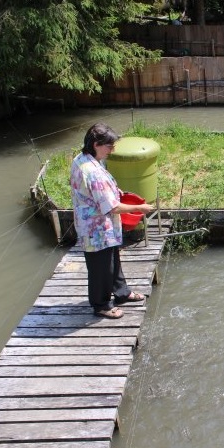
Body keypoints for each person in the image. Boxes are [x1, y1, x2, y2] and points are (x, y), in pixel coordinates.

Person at [70, 123, 155, 318]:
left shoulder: (83, 159)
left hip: (99, 225)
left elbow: (99, 193)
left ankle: (121, 292)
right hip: (96, 228)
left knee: (112, 260)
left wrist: (116, 191)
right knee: (100, 268)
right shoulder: (91, 172)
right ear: (96, 144)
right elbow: (112, 207)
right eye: (109, 146)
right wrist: (139, 208)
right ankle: (101, 305)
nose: (112, 149)